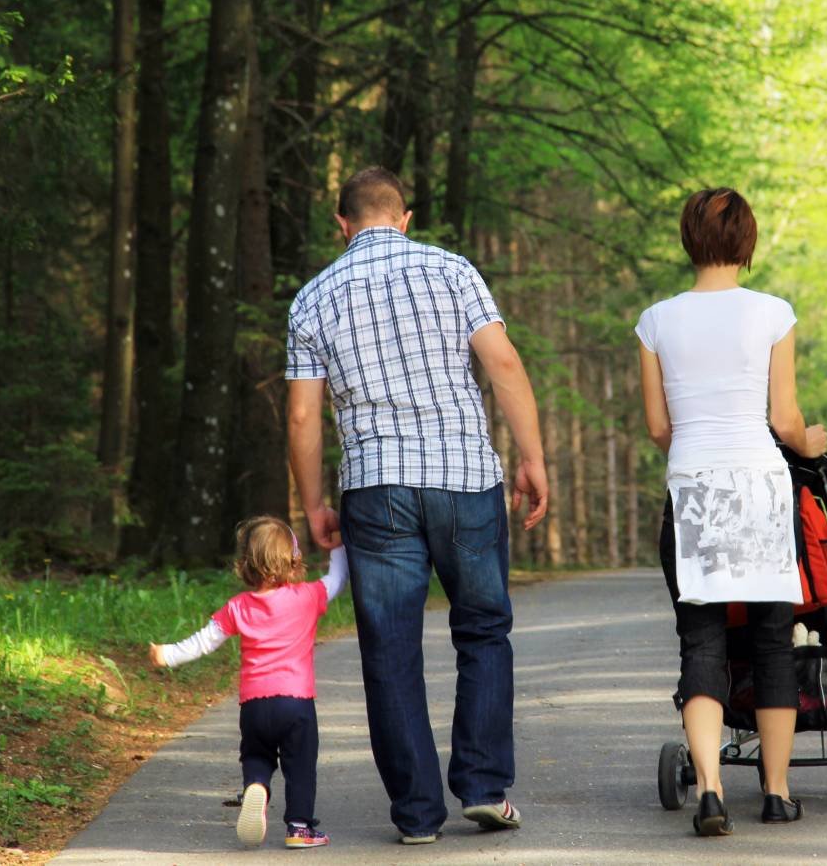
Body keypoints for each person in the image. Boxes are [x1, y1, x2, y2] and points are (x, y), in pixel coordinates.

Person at [284, 166, 548, 845]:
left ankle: (417, 815)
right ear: (403, 217)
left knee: (390, 650)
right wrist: (532, 458)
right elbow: (505, 364)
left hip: (375, 488)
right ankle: (485, 787)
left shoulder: (312, 297)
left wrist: (313, 502)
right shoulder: (453, 269)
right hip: (464, 474)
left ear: (341, 225)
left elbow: (303, 417)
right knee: (484, 629)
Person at [636, 187, 827, 836]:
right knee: (774, 638)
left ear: (689, 239)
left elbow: (658, 426)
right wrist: (810, 442)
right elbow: (784, 419)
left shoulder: (656, 320)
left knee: (702, 638)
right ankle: (776, 792)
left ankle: (712, 790)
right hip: (760, 488)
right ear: (745, 241)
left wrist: (693, 435)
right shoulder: (772, 313)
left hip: (694, 489)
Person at [148, 516, 349, 849]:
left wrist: (167, 655)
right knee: (300, 766)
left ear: (246, 563)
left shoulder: (238, 606)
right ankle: (299, 827)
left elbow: (203, 642)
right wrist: (338, 543)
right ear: (293, 558)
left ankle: (256, 784)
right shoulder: (308, 596)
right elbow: (338, 578)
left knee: (256, 755)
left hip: (254, 705)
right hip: (295, 701)